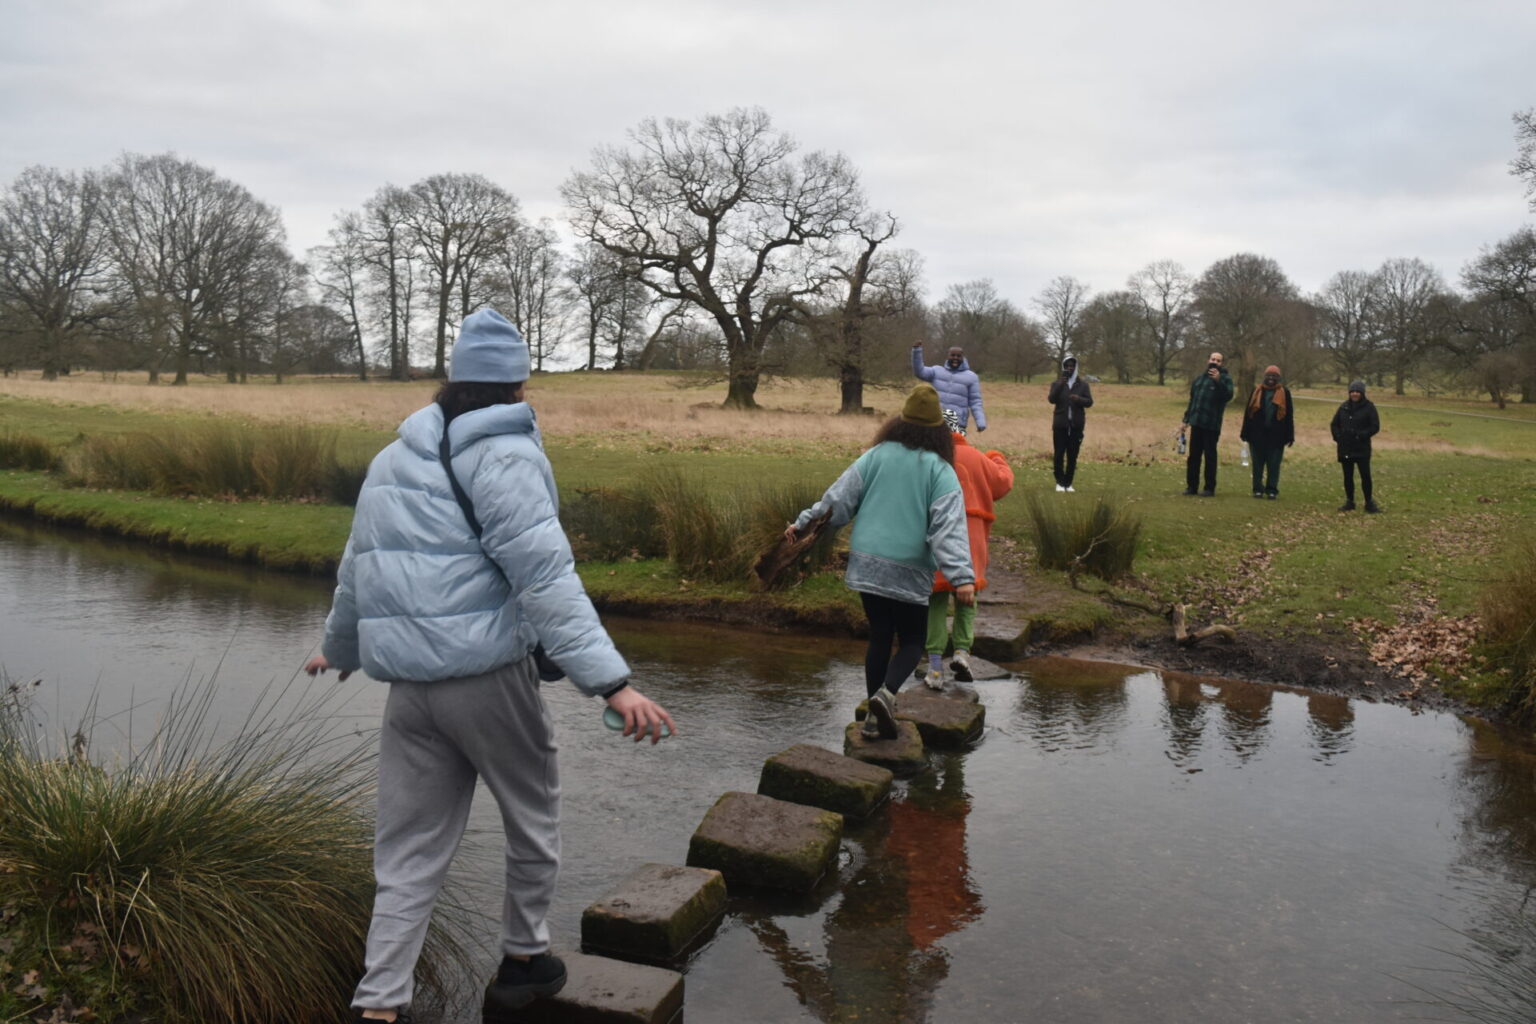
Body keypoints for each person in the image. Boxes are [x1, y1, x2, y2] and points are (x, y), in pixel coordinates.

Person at [303, 309, 676, 1024]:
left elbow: (358, 570)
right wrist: (613, 682)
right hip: (487, 681)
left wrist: (341, 648)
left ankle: (379, 1003)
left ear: (454, 377)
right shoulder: (505, 456)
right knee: (532, 814)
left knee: (407, 850)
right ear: (518, 382)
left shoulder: (392, 458)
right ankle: (524, 962)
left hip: (410, 691)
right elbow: (546, 579)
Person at [786, 383, 975, 739]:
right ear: (940, 431)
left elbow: (836, 502)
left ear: (899, 422)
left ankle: (874, 718)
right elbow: (947, 530)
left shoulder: (875, 456)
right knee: (914, 640)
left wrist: (801, 525)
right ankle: (887, 697)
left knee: (879, 637)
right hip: (910, 568)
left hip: (867, 561)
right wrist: (962, 577)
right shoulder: (941, 471)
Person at [921, 408, 1013, 689]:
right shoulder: (977, 458)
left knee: (935, 602)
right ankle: (962, 652)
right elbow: (1003, 483)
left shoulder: (931, 459)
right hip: (972, 538)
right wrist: (997, 457)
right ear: (962, 429)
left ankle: (935, 667)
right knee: (967, 598)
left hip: (937, 537)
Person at [1179, 351, 1235, 496]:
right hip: (1196, 423)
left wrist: (1218, 381)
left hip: (1212, 425)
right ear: (1208, 360)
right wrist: (1186, 420)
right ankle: (1192, 487)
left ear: (1221, 363)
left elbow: (1228, 396)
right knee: (1194, 457)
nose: (1215, 362)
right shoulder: (1199, 380)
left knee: (1210, 457)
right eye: (1213, 359)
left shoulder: (1226, 379)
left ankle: (1209, 488)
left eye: (1218, 360)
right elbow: (1193, 401)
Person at [1238, 364, 1294, 499]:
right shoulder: (1256, 391)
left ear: (1278, 378)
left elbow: (1289, 415)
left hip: (1277, 436)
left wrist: (1290, 435)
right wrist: (1244, 432)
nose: (1271, 378)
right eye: (1268, 375)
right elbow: (1248, 413)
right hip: (1256, 435)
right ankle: (1257, 489)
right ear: (1264, 377)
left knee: (1274, 465)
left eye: (1274, 376)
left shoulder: (1284, 393)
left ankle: (1272, 490)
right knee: (1257, 465)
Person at [911, 342, 987, 433]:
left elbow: (975, 401)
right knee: (933, 446)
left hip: (957, 422)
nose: (955, 358)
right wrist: (917, 351)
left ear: (963, 358)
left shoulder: (972, 377)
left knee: (955, 447)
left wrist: (980, 422)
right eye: (953, 355)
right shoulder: (936, 371)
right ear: (948, 356)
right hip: (936, 420)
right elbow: (919, 372)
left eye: (958, 356)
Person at [1330, 380, 1381, 513]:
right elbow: (1334, 424)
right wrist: (1338, 437)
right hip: (1345, 448)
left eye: (1357, 391)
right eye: (1352, 391)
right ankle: (1350, 501)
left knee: (1365, 476)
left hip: (1362, 448)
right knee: (1348, 476)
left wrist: (1361, 435)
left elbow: (1375, 426)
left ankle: (1369, 503)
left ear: (1362, 393)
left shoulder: (1369, 407)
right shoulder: (1343, 407)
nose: (1355, 394)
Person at [1047, 354, 1093, 492]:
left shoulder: (1083, 385)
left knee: (1072, 455)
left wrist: (1078, 399)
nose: (1070, 368)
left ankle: (1068, 483)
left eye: (1072, 366)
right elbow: (1051, 399)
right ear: (1063, 367)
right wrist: (1061, 383)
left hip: (1076, 426)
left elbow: (1090, 402)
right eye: (1067, 366)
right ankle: (1060, 482)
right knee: (1059, 454)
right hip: (1060, 425)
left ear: (1076, 367)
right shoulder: (1056, 384)